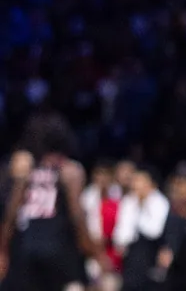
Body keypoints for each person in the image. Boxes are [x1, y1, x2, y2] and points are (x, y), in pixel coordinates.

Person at [0, 113, 107, 291]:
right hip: (59, 250)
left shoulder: (26, 170)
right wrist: (95, 252)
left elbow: (11, 214)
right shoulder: (69, 170)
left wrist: (3, 249)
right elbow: (77, 216)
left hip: (26, 248)